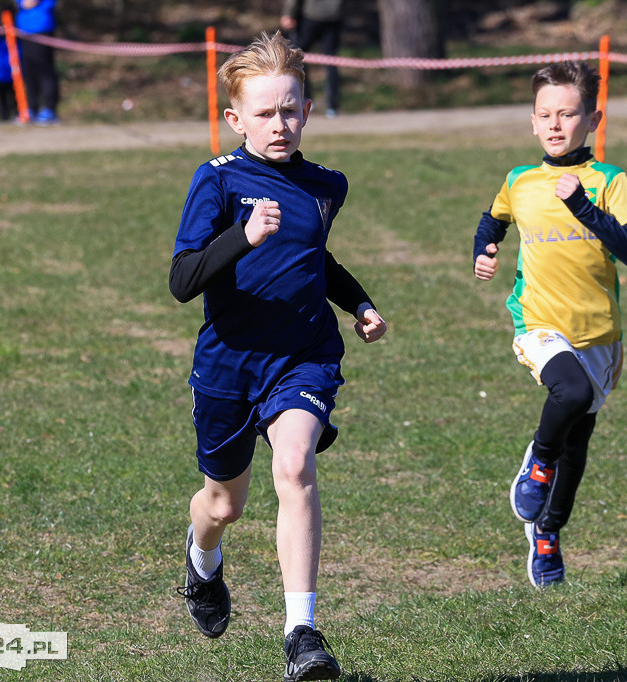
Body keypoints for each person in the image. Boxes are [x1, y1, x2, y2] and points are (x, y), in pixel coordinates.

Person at [169, 31, 386, 682]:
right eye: (264, 113)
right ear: (235, 119)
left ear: (308, 111)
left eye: (290, 109)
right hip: (230, 364)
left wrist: (360, 304)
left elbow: (315, 258)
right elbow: (183, 281)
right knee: (223, 505)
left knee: (293, 469)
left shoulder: (326, 186)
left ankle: (302, 634)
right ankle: (202, 564)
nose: (280, 123)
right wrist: (241, 235)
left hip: (304, 356)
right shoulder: (217, 181)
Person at [472, 61, 627, 587]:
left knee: (580, 442)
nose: (555, 124)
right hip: (538, 321)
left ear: (592, 119)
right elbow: (493, 217)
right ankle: (537, 464)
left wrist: (584, 207)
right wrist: (485, 247)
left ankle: (547, 533)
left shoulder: (609, 182)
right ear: (532, 122)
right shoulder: (520, 181)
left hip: (600, 333)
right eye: (545, 114)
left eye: (568, 114)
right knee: (568, 394)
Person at [280, 0, 343, 118]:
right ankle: (331, 106)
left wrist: (289, 14)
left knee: (297, 58)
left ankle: (304, 99)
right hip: (334, 17)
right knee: (331, 62)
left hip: (310, 17)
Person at [14, 0, 60, 125]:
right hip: (24, 30)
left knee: (44, 70)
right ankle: (31, 108)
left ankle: (49, 109)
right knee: (29, 71)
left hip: (41, 28)